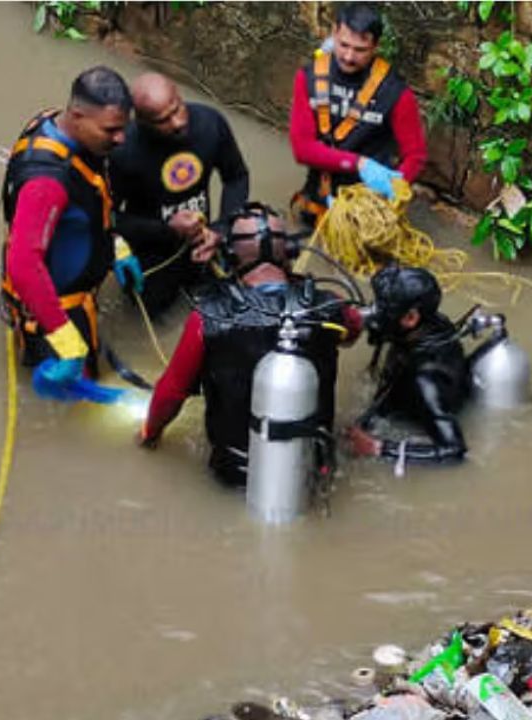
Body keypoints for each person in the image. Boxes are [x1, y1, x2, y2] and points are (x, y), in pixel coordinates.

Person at [136, 204, 364, 486]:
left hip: (235, 474)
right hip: (312, 469)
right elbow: (354, 331)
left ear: (231, 256)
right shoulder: (331, 307)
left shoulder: (206, 318)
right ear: (290, 252)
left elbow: (171, 392)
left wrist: (149, 434)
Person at [0, 66, 143, 391]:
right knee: (80, 398)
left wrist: (115, 246)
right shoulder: (46, 183)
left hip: (72, 284)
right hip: (56, 308)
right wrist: (65, 340)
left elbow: (90, 201)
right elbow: (23, 265)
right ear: (77, 116)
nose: (121, 138)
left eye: (124, 128)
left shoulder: (56, 126)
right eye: (111, 130)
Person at [109, 73, 250, 317]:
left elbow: (236, 177)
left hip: (203, 240)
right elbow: (108, 217)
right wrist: (167, 228)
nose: (177, 123)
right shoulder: (123, 151)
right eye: (163, 120)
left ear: (180, 96)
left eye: (177, 109)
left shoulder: (210, 123)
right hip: (151, 250)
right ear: (142, 121)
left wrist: (222, 229)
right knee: (148, 312)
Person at [288, 2, 428, 226]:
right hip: (318, 202)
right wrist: (359, 164)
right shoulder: (309, 77)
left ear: (376, 46)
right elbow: (302, 150)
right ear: (334, 33)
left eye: (360, 50)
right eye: (343, 45)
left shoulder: (395, 93)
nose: (349, 57)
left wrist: (395, 190)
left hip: (368, 211)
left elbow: (415, 156)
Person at [346, 265, 470, 464]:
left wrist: (379, 448)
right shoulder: (432, 324)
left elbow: (454, 451)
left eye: (384, 307)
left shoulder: (426, 380)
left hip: (419, 408)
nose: (375, 311)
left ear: (411, 318)